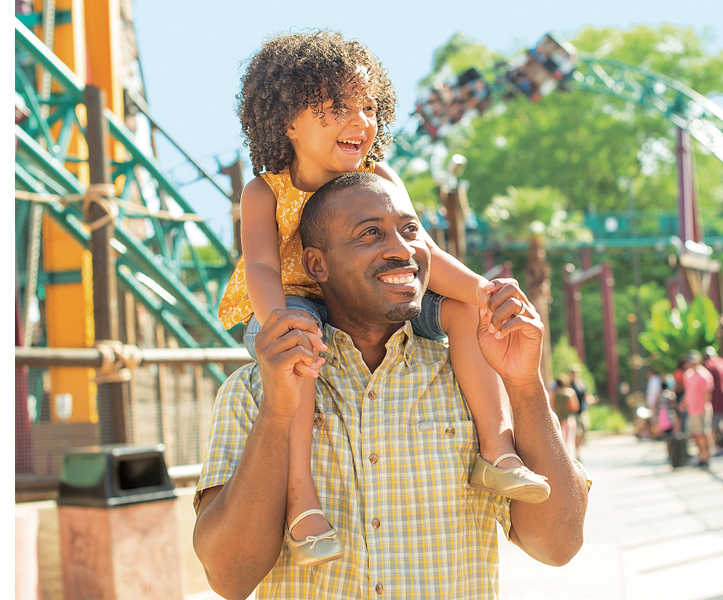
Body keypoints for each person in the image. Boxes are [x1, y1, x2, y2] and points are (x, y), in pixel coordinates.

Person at [215, 31, 549, 562]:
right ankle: (302, 502)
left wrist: (483, 292)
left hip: (376, 294)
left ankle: (497, 447)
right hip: (295, 297)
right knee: (301, 355)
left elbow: (425, 254)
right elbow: (259, 263)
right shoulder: (266, 189)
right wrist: (278, 321)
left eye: (369, 107)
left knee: (462, 310)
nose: (361, 120)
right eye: (336, 107)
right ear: (287, 122)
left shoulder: (380, 177)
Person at [193, 173, 590, 599]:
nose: (403, 250)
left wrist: (525, 385)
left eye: (410, 230)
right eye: (370, 234)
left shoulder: (479, 380)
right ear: (316, 264)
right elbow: (229, 578)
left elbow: (557, 545)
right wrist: (277, 414)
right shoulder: (253, 393)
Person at [679, 350, 714, 467]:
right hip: (692, 409)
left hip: (701, 409)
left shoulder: (704, 375)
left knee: (703, 434)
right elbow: (688, 391)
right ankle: (700, 455)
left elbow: (706, 393)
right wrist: (684, 402)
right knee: (694, 434)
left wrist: (704, 409)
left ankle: (706, 457)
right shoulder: (687, 375)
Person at [702, 346, 723, 443]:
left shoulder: (709, 365)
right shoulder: (722, 363)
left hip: (716, 399)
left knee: (716, 424)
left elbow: (707, 385)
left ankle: (722, 445)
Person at [552, 375, 579, 457]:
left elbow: (551, 406)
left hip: (558, 419)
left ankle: (562, 458)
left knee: (561, 440)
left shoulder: (553, 394)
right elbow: (575, 407)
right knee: (569, 441)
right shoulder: (570, 393)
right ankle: (570, 459)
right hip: (568, 419)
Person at [569, 365, 593, 457]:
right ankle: (577, 452)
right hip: (573, 413)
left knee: (584, 431)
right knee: (577, 433)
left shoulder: (582, 384)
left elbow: (587, 395)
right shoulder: (569, 385)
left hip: (583, 411)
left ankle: (578, 448)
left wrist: (589, 401)